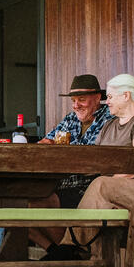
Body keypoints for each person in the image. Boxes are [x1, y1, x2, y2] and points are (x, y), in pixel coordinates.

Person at [61, 73, 134, 254]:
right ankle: (88, 262)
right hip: (121, 195)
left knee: (101, 184)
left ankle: (71, 246)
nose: (107, 102)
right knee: (100, 199)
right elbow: (94, 161)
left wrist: (106, 181)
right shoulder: (108, 126)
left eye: (111, 97)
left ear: (126, 96)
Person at [29, 74, 115, 251]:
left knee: (38, 204)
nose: (76, 105)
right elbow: (46, 143)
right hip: (62, 183)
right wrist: (46, 145)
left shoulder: (109, 120)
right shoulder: (71, 118)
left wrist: (60, 153)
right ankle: (61, 252)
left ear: (98, 98)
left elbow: (96, 159)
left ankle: (71, 251)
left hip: (90, 189)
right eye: (73, 100)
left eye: (81, 100)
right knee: (20, 204)